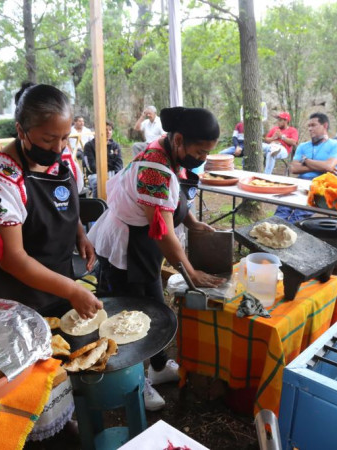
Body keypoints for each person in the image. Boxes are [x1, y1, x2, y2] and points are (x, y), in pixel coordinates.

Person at [88, 107, 226, 411]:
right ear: (178, 139)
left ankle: (159, 366)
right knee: (126, 316)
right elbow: (163, 232)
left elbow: (172, 202)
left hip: (143, 241)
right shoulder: (155, 167)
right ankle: (132, 383)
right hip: (125, 246)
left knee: (154, 305)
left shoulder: (168, 152)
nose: (203, 158)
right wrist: (190, 272)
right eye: (200, 151)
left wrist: (192, 223)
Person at [0, 82, 101, 320]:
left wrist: (80, 233)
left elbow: (66, 201)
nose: (58, 147)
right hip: (18, 293)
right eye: (49, 139)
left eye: (65, 137)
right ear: (21, 130)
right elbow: (12, 259)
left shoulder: (64, 156)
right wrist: (71, 289)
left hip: (59, 278)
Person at [274, 112, 337, 223]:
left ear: (324, 126)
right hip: (300, 183)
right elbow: (293, 168)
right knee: (281, 211)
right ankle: (270, 234)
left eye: (313, 125)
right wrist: (322, 167)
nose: (310, 129)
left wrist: (305, 161)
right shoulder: (303, 146)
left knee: (298, 218)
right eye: (309, 126)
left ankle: (289, 235)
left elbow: (329, 166)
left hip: (321, 186)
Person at [82, 120, 123, 198]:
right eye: (105, 130)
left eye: (110, 130)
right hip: (95, 174)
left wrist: (116, 176)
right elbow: (91, 167)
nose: (108, 132)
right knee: (99, 183)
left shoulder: (115, 146)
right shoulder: (89, 146)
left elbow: (119, 164)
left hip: (113, 173)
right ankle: (100, 207)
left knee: (124, 181)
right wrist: (106, 176)